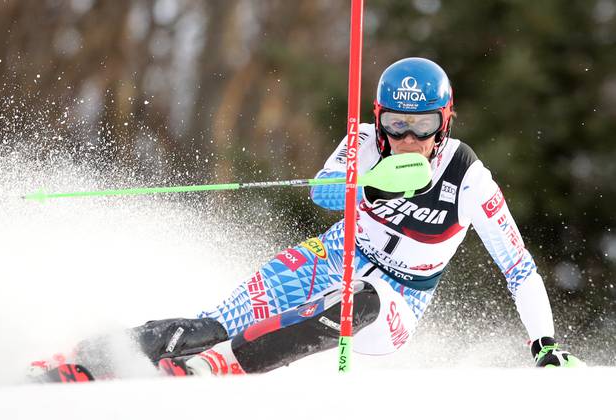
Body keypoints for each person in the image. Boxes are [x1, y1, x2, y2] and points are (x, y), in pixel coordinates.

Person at [31, 57, 582, 381]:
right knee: (219, 319)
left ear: (445, 121)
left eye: (423, 125)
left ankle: (225, 366)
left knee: (356, 302)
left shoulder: (469, 178)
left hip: (396, 301)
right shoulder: (364, 144)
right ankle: (98, 357)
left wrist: (544, 344)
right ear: (378, 119)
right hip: (334, 253)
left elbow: (519, 267)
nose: (407, 138)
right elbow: (321, 192)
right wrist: (364, 181)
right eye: (395, 123)